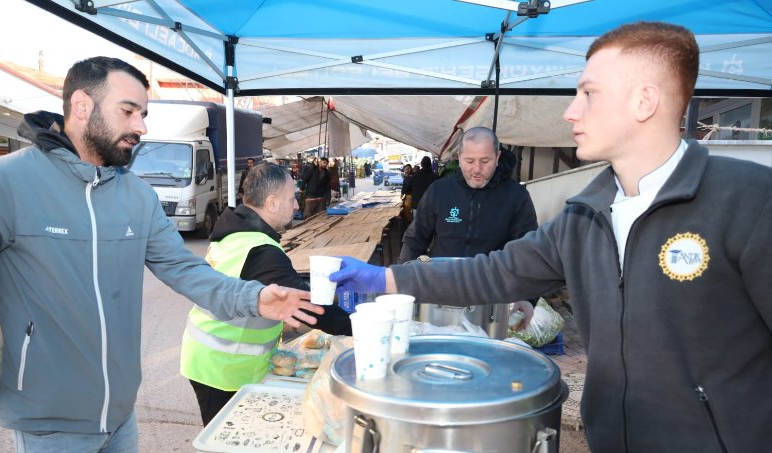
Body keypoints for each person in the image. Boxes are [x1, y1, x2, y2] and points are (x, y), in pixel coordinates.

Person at [331, 22, 772, 453]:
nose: (570, 111)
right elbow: (494, 274)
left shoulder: (749, 201)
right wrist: (383, 279)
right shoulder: (585, 213)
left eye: (589, 93)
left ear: (644, 101)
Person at [0, 56, 322, 453]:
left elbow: (183, 268)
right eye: (128, 111)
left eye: (143, 114)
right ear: (82, 106)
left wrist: (253, 297)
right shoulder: (4, 180)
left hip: (120, 414)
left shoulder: (137, 195)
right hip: (48, 419)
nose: (141, 126)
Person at [181, 163, 352, 425]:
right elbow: (310, 306)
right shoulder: (260, 250)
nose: (296, 205)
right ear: (272, 203)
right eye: (292, 197)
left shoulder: (234, 232)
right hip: (223, 368)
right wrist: (359, 327)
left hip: (210, 359)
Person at [398, 128, 538, 263]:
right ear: (459, 158)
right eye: (469, 161)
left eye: (485, 161)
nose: (477, 169)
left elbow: (527, 249)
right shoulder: (439, 190)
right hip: (443, 280)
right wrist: (405, 277)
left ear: (497, 157)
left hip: (492, 284)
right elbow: (415, 239)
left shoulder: (517, 196)